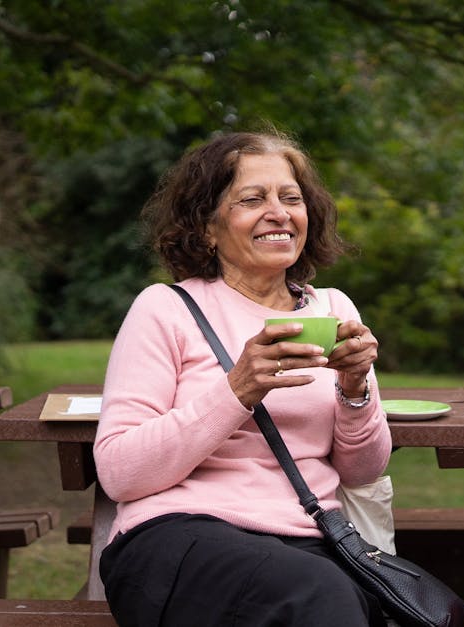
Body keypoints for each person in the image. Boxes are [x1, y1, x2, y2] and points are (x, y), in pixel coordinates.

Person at [93, 131, 393, 626]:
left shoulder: (333, 308)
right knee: (320, 599)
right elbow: (122, 473)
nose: (279, 212)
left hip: (309, 540)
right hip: (180, 537)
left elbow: (362, 471)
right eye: (252, 199)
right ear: (207, 227)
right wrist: (238, 390)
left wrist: (355, 388)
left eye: (291, 198)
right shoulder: (166, 309)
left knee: (378, 605)